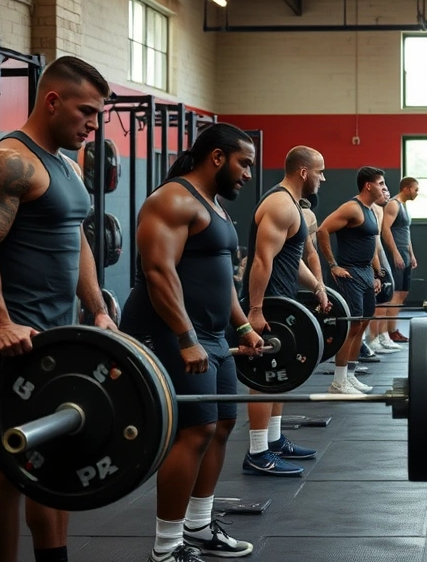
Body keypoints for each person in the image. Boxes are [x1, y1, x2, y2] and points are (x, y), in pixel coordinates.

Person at [0, 56, 116, 562]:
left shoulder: (68, 166)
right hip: (13, 342)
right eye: (87, 112)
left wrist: (96, 309)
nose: (93, 125)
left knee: (56, 459)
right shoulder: (9, 162)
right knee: (8, 470)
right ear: (52, 101)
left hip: (61, 336)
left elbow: (75, 240)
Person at [120, 123, 263, 562]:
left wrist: (242, 327)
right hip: (173, 331)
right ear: (216, 157)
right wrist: (185, 338)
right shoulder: (172, 200)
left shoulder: (214, 206)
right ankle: (166, 547)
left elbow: (223, 281)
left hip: (213, 335)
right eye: (243, 164)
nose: (247, 175)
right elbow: (159, 272)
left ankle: (198, 525)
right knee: (194, 430)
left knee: (221, 426)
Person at [240, 146, 328, 477]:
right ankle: (258, 452)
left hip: (281, 300)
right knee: (263, 377)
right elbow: (262, 260)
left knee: (280, 373)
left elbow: (291, 263)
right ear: (303, 172)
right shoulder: (279, 204)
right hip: (267, 304)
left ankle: (274, 441)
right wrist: (256, 309)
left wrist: (318, 287)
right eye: (320, 171)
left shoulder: (292, 206)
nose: (323, 178)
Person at [317, 166, 387, 395]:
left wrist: (377, 274)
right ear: (368, 185)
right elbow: (322, 230)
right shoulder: (352, 208)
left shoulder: (369, 210)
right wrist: (333, 265)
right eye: (380, 183)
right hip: (349, 274)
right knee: (351, 326)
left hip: (365, 273)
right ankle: (338, 381)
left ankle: (350, 374)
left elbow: (372, 247)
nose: (384, 187)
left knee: (363, 323)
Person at [381, 176, 420, 344]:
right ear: (407, 188)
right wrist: (395, 253)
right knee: (394, 294)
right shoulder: (393, 204)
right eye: (416, 189)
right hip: (394, 254)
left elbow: (406, 233)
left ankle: (393, 330)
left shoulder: (404, 206)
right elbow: (385, 229)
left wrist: (411, 254)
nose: (417, 193)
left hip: (404, 253)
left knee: (403, 293)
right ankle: (389, 332)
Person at [366, 183, 403, 354]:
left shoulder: (380, 210)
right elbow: (373, 242)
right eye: (383, 190)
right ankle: (373, 338)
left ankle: (383, 335)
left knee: (386, 296)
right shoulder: (370, 209)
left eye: (388, 189)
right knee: (379, 301)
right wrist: (377, 266)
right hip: (374, 257)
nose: (387, 193)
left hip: (380, 255)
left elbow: (378, 241)